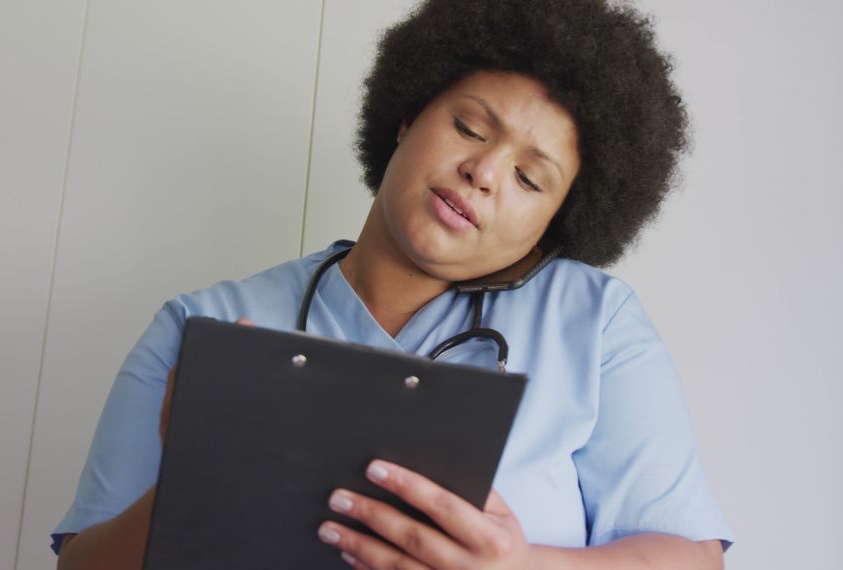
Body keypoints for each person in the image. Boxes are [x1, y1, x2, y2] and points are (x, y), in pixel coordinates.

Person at [53, 0, 734, 568]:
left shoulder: (596, 324)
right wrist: (190, 478)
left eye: (531, 179)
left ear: (555, 225)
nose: (485, 172)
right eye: (469, 126)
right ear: (407, 117)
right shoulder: (204, 324)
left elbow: (694, 559)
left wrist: (524, 567)